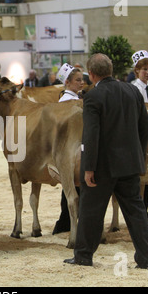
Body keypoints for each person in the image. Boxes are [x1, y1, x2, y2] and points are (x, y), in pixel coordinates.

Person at [64, 53, 148, 270]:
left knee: (90, 211)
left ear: (92, 74)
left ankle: (84, 256)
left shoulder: (94, 97)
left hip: (102, 167)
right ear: (111, 71)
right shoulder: (133, 91)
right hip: (130, 165)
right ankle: (146, 259)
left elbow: (91, 136)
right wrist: (138, 155)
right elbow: (145, 127)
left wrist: (88, 167)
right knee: (136, 212)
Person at [53, 63, 84, 234]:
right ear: (68, 82)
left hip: (74, 148)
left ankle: (64, 223)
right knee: (71, 190)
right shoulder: (67, 102)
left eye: (82, 80)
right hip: (70, 150)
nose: (81, 83)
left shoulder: (75, 99)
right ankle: (64, 224)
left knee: (71, 189)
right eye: (78, 80)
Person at [131, 50, 148, 224]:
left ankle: (145, 210)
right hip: (138, 136)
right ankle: (139, 212)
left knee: (147, 179)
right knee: (139, 178)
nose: (147, 72)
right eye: (144, 69)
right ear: (137, 71)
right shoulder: (135, 88)